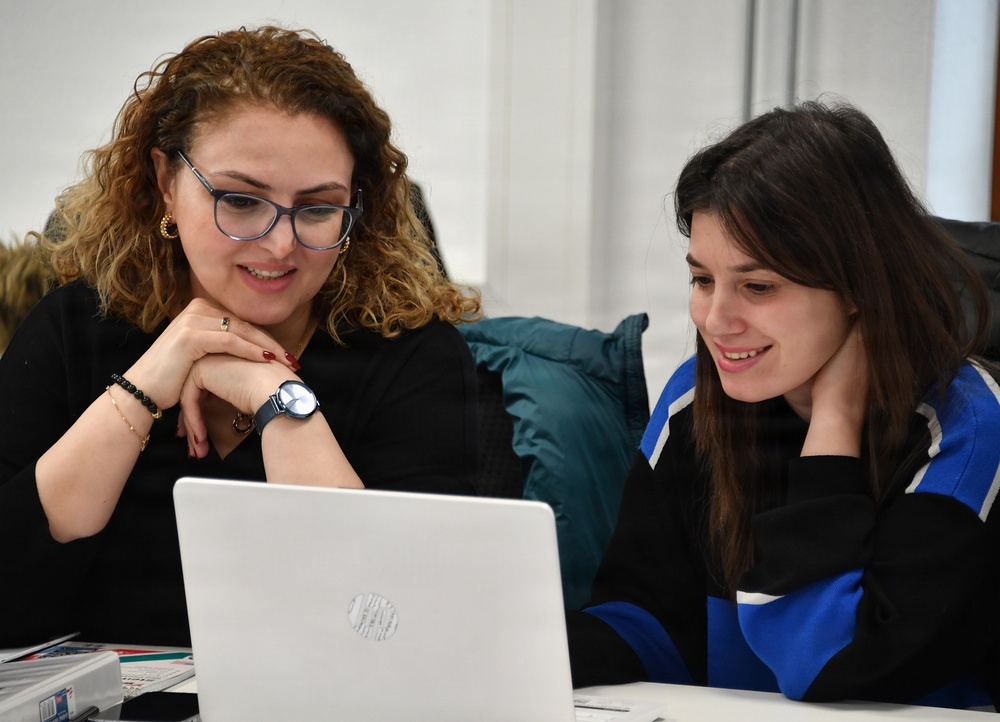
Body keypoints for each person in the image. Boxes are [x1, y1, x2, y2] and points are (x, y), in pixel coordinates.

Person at [0, 25, 481, 647]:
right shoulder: (76, 329)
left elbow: (399, 624)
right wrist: (143, 388)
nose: (281, 245)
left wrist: (276, 393)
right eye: (241, 201)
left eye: (316, 208)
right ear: (167, 183)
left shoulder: (413, 353)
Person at [567, 101, 1000, 710]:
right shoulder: (695, 399)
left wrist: (833, 423)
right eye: (701, 280)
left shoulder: (969, 428)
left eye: (759, 287)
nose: (717, 321)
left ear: (858, 287)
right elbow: (653, 625)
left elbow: (830, 665)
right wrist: (503, 649)